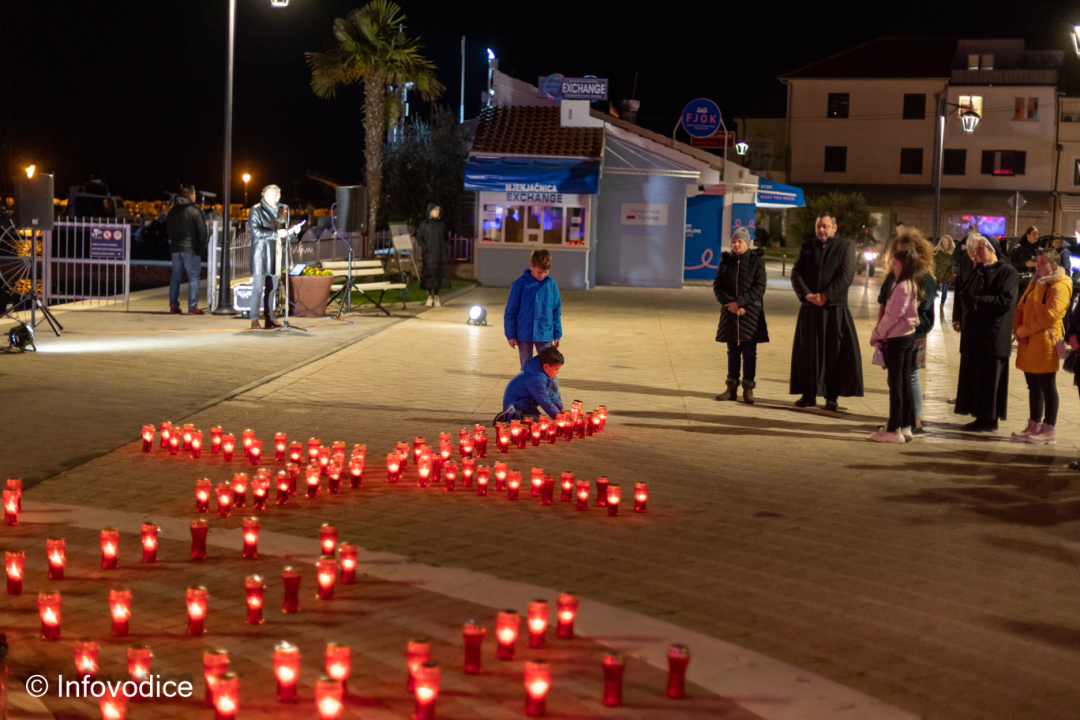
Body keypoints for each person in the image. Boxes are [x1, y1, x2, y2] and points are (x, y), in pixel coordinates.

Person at [789, 213, 864, 411]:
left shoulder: (845, 247)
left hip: (834, 310)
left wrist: (826, 296)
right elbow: (796, 273)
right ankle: (808, 394)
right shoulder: (808, 247)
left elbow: (846, 275)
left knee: (834, 354)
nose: (822, 230)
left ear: (834, 228)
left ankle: (832, 396)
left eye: (826, 226)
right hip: (810, 310)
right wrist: (806, 294)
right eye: (818, 226)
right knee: (808, 353)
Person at [954, 235, 1019, 431]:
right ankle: (979, 416)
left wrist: (977, 303)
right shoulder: (979, 270)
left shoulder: (1008, 272)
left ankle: (990, 419)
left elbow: (1005, 301)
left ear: (991, 249)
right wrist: (973, 303)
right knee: (976, 376)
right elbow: (965, 294)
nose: (976, 253)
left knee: (991, 379)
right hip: (975, 334)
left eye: (980, 249)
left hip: (994, 335)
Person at [877, 229, 936, 434]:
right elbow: (883, 304)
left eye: (903, 253)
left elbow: (920, 307)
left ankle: (914, 421)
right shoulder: (892, 277)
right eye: (897, 252)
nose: (898, 257)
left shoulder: (924, 278)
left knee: (910, 377)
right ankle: (902, 420)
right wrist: (880, 332)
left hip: (913, 333)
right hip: (892, 333)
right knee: (897, 378)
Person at [1011, 249, 1071, 444]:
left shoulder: (1060, 285)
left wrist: (1023, 331)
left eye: (1043, 262)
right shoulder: (1035, 282)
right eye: (1037, 262)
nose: (1038, 266)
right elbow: (1020, 307)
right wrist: (1018, 328)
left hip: (1046, 342)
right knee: (1033, 386)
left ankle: (1048, 429)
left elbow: (1050, 316)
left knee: (1047, 386)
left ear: (1053, 265)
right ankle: (1034, 424)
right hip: (1029, 341)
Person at [869, 248, 924, 443]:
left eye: (896, 263)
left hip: (898, 338)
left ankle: (893, 430)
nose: (893, 266)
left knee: (896, 384)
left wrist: (876, 335)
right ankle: (904, 425)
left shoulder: (903, 286)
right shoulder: (910, 283)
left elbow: (892, 316)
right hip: (907, 336)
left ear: (905, 265)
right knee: (904, 381)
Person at [713, 227, 769, 404]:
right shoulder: (726, 262)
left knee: (750, 352)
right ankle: (731, 388)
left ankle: (748, 389)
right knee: (732, 352)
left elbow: (759, 288)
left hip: (750, 315)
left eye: (740, 241)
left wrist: (740, 303)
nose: (737, 244)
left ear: (747, 243)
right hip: (731, 315)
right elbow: (717, 286)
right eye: (734, 241)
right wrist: (731, 304)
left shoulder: (756, 262)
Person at [505, 248, 563, 370]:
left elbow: (556, 311)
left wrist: (557, 334)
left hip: (545, 334)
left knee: (549, 367)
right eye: (539, 272)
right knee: (527, 367)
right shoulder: (519, 284)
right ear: (530, 266)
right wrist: (511, 334)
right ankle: (527, 389)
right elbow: (510, 312)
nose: (542, 275)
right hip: (524, 334)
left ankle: (552, 390)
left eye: (545, 272)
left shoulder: (552, 285)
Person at [247, 185, 290, 330]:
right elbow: (256, 232)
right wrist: (277, 234)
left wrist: (291, 231)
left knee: (272, 288)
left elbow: (282, 227)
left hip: (275, 252)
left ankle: (270, 318)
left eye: (279, 195)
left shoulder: (279, 210)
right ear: (266, 195)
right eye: (275, 196)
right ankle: (254, 319)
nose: (278, 198)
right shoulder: (256, 209)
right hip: (261, 253)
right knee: (258, 288)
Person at [166, 186, 208, 315]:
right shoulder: (194, 211)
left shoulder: (172, 212)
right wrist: (200, 247)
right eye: (194, 193)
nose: (195, 195)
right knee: (193, 278)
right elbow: (203, 232)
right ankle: (192, 307)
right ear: (190, 195)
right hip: (191, 250)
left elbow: (168, 231)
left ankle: (173, 305)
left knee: (175, 278)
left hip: (176, 249)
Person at [496, 345, 565, 422]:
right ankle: (510, 415)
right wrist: (559, 417)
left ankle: (522, 414)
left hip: (525, 402)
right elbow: (545, 400)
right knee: (539, 422)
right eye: (556, 369)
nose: (557, 372)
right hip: (515, 403)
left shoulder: (542, 372)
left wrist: (561, 408)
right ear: (546, 366)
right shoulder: (536, 378)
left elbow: (548, 392)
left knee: (541, 419)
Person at [416, 203, 449, 306]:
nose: (438, 211)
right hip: (429, 255)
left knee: (438, 275)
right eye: (436, 209)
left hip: (440, 255)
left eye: (439, 210)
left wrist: (444, 247)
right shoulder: (424, 224)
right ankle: (429, 297)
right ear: (430, 211)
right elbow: (419, 238)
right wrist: (426, 247)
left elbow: (447, 239)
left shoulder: (442, 225)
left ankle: (436, 297)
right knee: (429, 276)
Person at [933, 235, 955, 317]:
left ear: (950, 242)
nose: (945, 243)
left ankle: (942, 304)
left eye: (947, 241)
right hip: (938, 273)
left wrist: (946, 262)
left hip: (947, 274)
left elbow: (954, 262)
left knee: (944, 291)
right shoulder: (938, 251)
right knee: (933, 289)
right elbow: (935, 259)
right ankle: (931, 304)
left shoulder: (952, 252)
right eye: (944, 241)